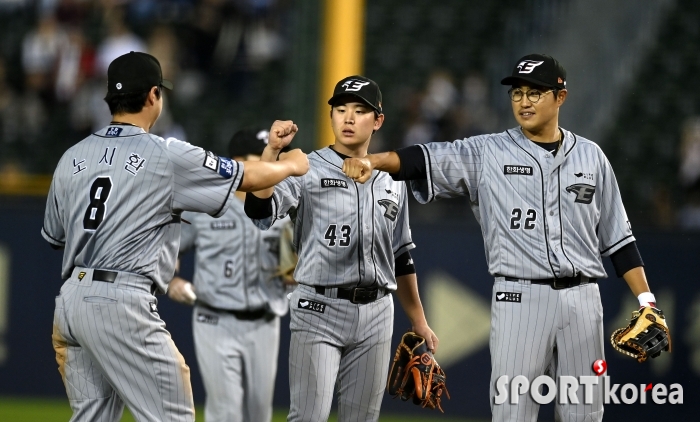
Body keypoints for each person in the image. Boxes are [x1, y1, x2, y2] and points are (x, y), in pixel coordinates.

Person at [342, 54, 665, 422]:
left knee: (586, 414)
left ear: (560, 97)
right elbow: (424, 158)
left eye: (535, 93)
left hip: (584, 301)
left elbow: (619, 241)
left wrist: (647, 301)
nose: (524, 101)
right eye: (517, 93)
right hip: (520, 297)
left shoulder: (592, 158)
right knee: (512, 412)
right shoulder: (487, 152)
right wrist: (375, 161)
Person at [42, 51, 308, 422]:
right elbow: (248, 179)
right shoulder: (166, 154)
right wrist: (293, 164)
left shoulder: (72, 156)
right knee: (173, 415)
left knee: (93, 416)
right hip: (121, 302)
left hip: (70, 301)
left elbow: (54, 235)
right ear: (154, 95)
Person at [244, 75, 438, 422]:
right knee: (308, 418)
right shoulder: (307, 168)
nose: (348, 118)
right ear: (331, 115)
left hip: (378, 313)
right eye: (341, 109)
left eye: (360, 110)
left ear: (377, 120)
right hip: (318, 307)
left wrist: (419, 320)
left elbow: (401, 256)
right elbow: (258, 212)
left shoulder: (391, 177)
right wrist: (272, 153)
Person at [168, 128, 296, 422]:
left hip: (265, 322)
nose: (270, 165)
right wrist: (171, 280)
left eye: (273, 157)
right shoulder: (204, 204)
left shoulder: (283, 205)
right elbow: (169, 250)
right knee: (225, 413)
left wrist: (295, 272)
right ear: (238, 162)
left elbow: (295, 269)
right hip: (214, 320)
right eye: (263, 157)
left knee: (258, 415)